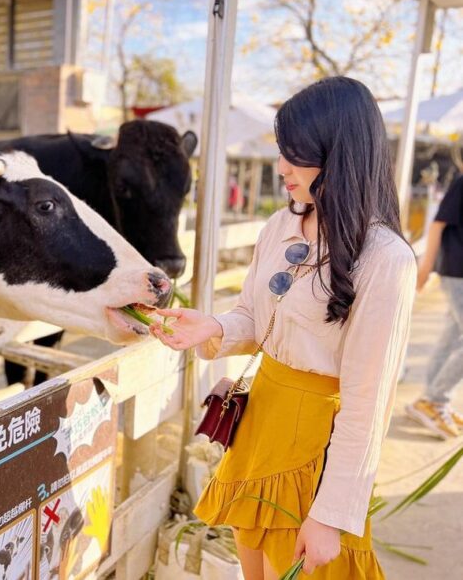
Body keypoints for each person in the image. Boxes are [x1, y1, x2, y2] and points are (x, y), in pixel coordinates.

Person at [149, 77, 416, 579]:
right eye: (281, 151)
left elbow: (367, 406)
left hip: (315, 450)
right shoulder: (281, 226)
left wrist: (331, 515)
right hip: (261, 426)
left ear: (337, 154)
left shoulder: (385, 259)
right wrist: (209, 325)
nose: (281, 168)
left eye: (294, 154)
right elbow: (255, 318)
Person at [405, 172, 463, 439]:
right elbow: (438, 224)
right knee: (452, 339)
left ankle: (431, 400)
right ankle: (434, 400)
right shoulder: (462, 182)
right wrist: (425, 268)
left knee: (450, 339)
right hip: (456, 272)